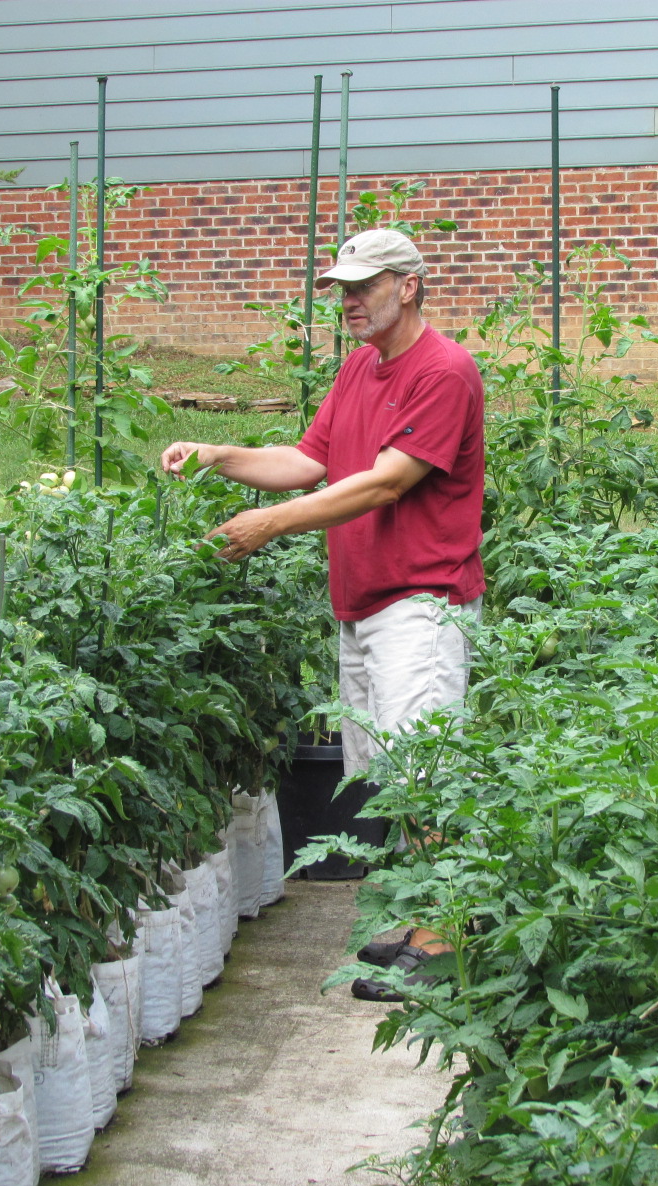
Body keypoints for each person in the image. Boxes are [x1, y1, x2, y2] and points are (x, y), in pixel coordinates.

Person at [159, 227, 485, 1001]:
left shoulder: (443, 371)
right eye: (342, 287)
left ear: (408, 285)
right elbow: (310, 462)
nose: (349, 301)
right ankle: (420, 919)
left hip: (422, 604)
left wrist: (267, 526)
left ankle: (448, 941)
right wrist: (217, 454)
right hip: (367, 605)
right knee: (391, 774)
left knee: (426, 771)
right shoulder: (360, 370)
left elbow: (382, 483)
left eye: (364, 286)